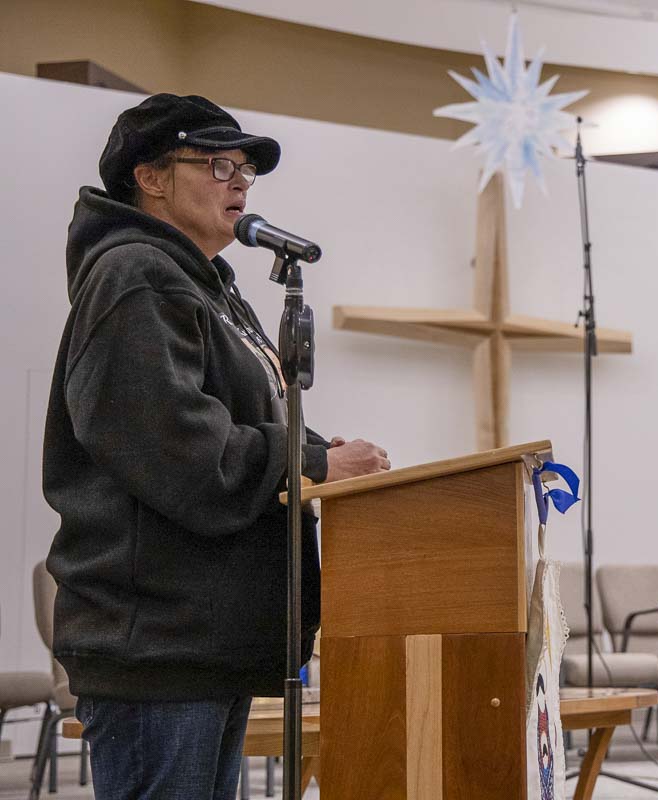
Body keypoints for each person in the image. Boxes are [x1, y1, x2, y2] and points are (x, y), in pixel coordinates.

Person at [42, 94, 389, 799]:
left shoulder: (206, 288)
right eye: (219, 163)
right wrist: (316, 464)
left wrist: (326, 450)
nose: (240, 182)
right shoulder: (135, 275)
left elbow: (236, 417)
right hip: (159, 641)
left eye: (248, 171)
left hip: (205, 636)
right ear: (151, 176)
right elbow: (178, 449)